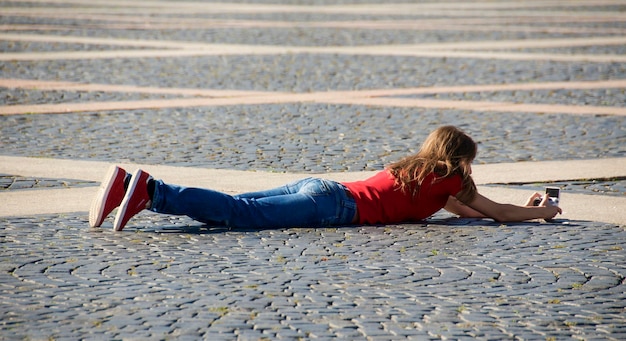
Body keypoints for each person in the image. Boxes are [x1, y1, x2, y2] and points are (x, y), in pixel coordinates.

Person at [89, 126, 562, 231]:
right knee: (238, 215)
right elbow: (494, 212)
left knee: (236, 206)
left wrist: (533, 205)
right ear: (458, 161)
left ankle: (129, 190)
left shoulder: (419, 172)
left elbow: (466, 210)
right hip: (334, 207)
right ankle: (150, 191)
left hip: (321, 188)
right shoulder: (447, 181)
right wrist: (545, 213)